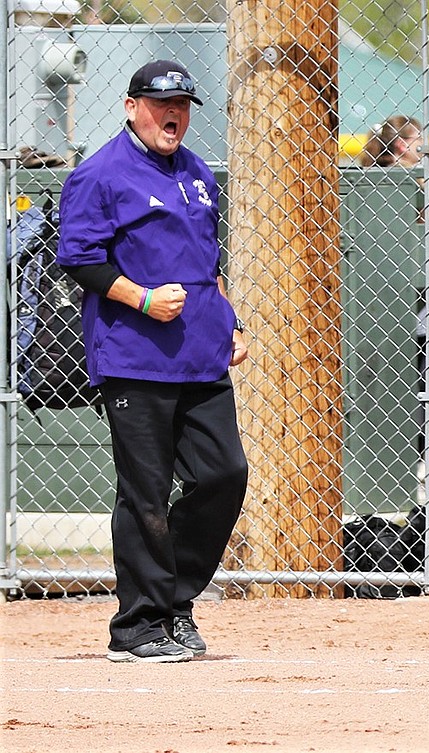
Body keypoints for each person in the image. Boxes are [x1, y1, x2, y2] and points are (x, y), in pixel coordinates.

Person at [56, 60, 249, 663]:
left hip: (201, 356)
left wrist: (227, 321)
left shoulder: (195, 171)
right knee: (146, 493)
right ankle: (140, 626)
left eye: (185, 105)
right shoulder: (100, 174)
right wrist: (138, 297)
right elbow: (79, 260)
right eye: (162, 103)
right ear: (131, 105)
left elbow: (205, 262)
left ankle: (176, 604)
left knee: (224, 475)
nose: (175, 115)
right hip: (135, 358)